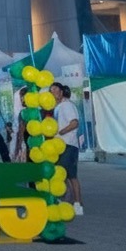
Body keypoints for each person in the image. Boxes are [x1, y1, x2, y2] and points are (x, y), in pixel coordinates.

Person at [50, 82, 83, 215]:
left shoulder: (67, 105)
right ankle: (67, 200)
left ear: (61, 92)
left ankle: (78, 204)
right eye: (51, 91)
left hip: (68, 144)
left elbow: (74, 123)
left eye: (55, 89)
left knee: (71, 175)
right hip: (59, 146)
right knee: (61, 175)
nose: (52, 92)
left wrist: (61, 132)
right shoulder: (57, 107)